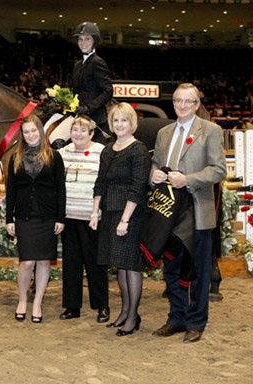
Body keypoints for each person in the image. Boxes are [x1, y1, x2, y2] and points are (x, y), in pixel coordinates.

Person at [150, 83, 227, 343]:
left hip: (197, 210)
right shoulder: (163, 133)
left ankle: (196, 322)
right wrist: (155, 175)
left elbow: (218, 170)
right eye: (178, 101)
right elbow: (153, 166)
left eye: (188, 101)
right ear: (173, 104)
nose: (182, 105)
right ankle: (177, 318)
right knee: (172, 267)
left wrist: (188, 179)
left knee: (198, 270)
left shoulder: (211, 131)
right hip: (169, 213)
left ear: (196, 105)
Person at [89, 102, 151, 336]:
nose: (119, 124)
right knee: (120, 266)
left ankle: (133, 316)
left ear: (132, 122)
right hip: (110, 212)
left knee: (131, 265)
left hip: (130, 214)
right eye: (115, 120)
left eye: (123, 120)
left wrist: (125, 219)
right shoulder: (107, 150)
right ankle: (125, 312)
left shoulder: (139, 150)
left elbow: (137, 188)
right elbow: (100, 184)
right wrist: (95, 212)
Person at [6, 115, 66, 323]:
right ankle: (22, 300)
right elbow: (11, 191)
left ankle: (38, 302)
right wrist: (9, 218)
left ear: (40, 131)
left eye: (33, 131)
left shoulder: (54, 157)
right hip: (24, 216)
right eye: (26, 132)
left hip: (48, 217)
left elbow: (61, 190)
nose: (31, 135)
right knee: (26, 262)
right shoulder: (15, 158)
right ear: (22, 135)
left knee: (43, 262)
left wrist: (60, 218)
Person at [59, 116, 109, 323]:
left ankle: (102, 306)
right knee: (71, 263)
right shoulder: (61, 154)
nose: (78, 134)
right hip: (68, 217)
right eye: (75, 130)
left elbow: (104, 184)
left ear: (91, 134)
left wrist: (97, 213)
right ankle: (72, 306)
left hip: (92, 217)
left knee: (95, 263)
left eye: (83, 131)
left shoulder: (102, 152)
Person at [70, 21, 113, 145]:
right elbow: (72, 91)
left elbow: (108, 91)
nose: (83, 43)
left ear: (94, 41)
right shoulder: (77, 65)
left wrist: (88, 108)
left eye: (87, 39)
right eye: (80, 39)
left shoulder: (97, 62)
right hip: (78, 117)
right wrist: (57, 101)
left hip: (95, 119)